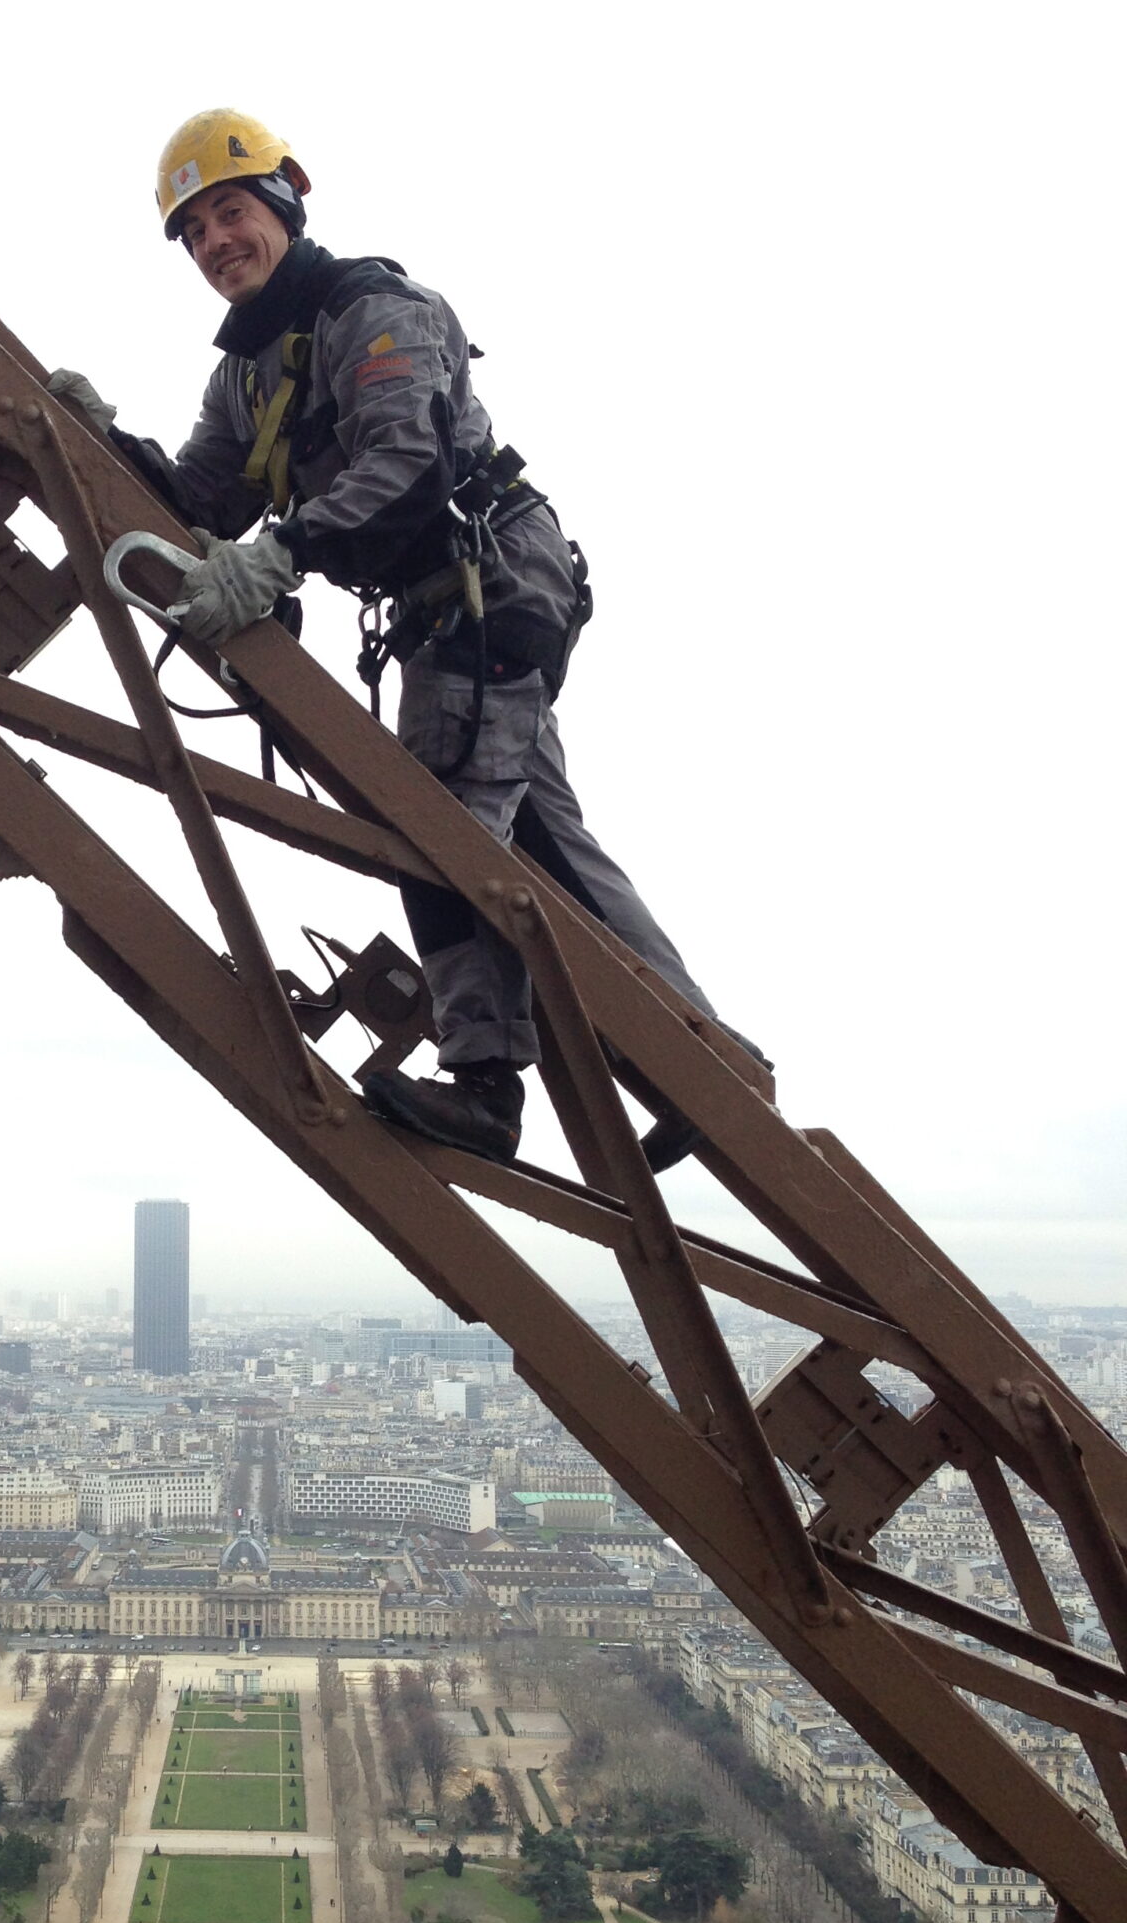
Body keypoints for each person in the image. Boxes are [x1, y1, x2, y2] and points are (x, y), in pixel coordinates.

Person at [52, 108, 758, 1168]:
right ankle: (709, 1057)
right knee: (538, 836)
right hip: (452, 608)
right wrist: (100, 441)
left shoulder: (375, 311)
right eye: (193, 232)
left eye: (230, 212)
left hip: (490, 585)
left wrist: (284, 555)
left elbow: (403, 466)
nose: (214, 244)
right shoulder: (248, 374)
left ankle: (487, 1086)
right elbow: (201, 496)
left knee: (442, 829)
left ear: (285, 201)